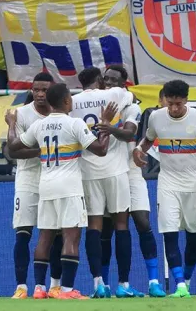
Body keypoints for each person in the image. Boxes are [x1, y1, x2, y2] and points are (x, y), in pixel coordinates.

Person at [7, 82, 113, 300]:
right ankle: (66, 290)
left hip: (45, 186)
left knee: (44, 237)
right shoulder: (74, 123)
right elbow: (101, 150)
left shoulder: (39, 125)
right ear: (66, 101)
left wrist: (11, 124)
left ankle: (39, 288)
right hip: (69, 187)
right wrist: (106, 124)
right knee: (71, 237)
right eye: (70, 98)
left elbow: (14, 147)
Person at [134, 79, 196, 298]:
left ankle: (186, 280)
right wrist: (138, 149)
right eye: (170, 103)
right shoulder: (156, 116)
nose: (173, 108)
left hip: (193, 184)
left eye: (178, 103)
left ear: (186, 100)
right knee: (169, 233)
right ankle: (179, 284)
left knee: (192, 238)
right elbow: (148, 139)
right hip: (167, 183)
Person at [70, 67, 140, 299]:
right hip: (116, 169)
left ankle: (98, 283)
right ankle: (123, 284)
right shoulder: (117, 94)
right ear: (99, 80)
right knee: (121, 224)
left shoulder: (72, 102)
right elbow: (132, 98)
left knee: (94, 227)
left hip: (87, 170)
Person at [5, 73, 54, 299]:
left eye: (44, 90)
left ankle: (51, 286)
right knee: (23, 232)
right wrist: (44, 151)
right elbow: (12, 150)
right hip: (27, 177)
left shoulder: (60, 114)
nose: (40, 94)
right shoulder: (22, 114)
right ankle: (21, 286)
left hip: (54, 177)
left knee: (52, 233)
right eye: (36, 90)